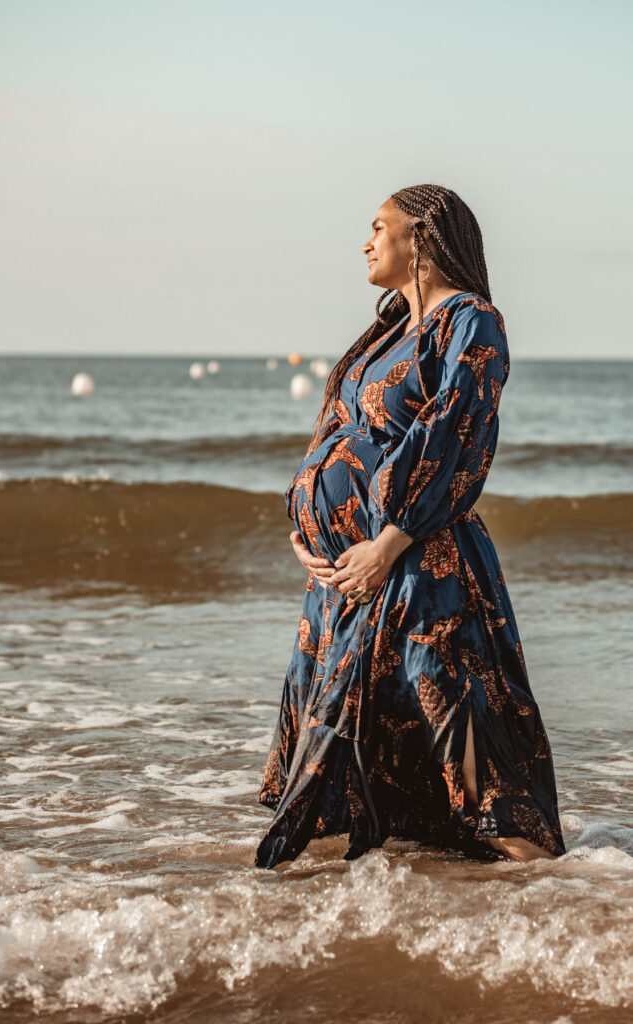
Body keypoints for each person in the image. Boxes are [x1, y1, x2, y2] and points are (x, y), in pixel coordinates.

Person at [254, 184, 565, 868]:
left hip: (419, 570)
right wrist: (305, 534)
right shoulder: (387, 331)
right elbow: (334, 438)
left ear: (420, 239)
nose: (365, 242)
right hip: (344, 582)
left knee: (469, 756)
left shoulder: (469, 321)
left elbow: (456, 434)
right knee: (360, 771)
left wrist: (386, 545)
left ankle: (565, 913)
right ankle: (399, 920)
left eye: (378, 228)